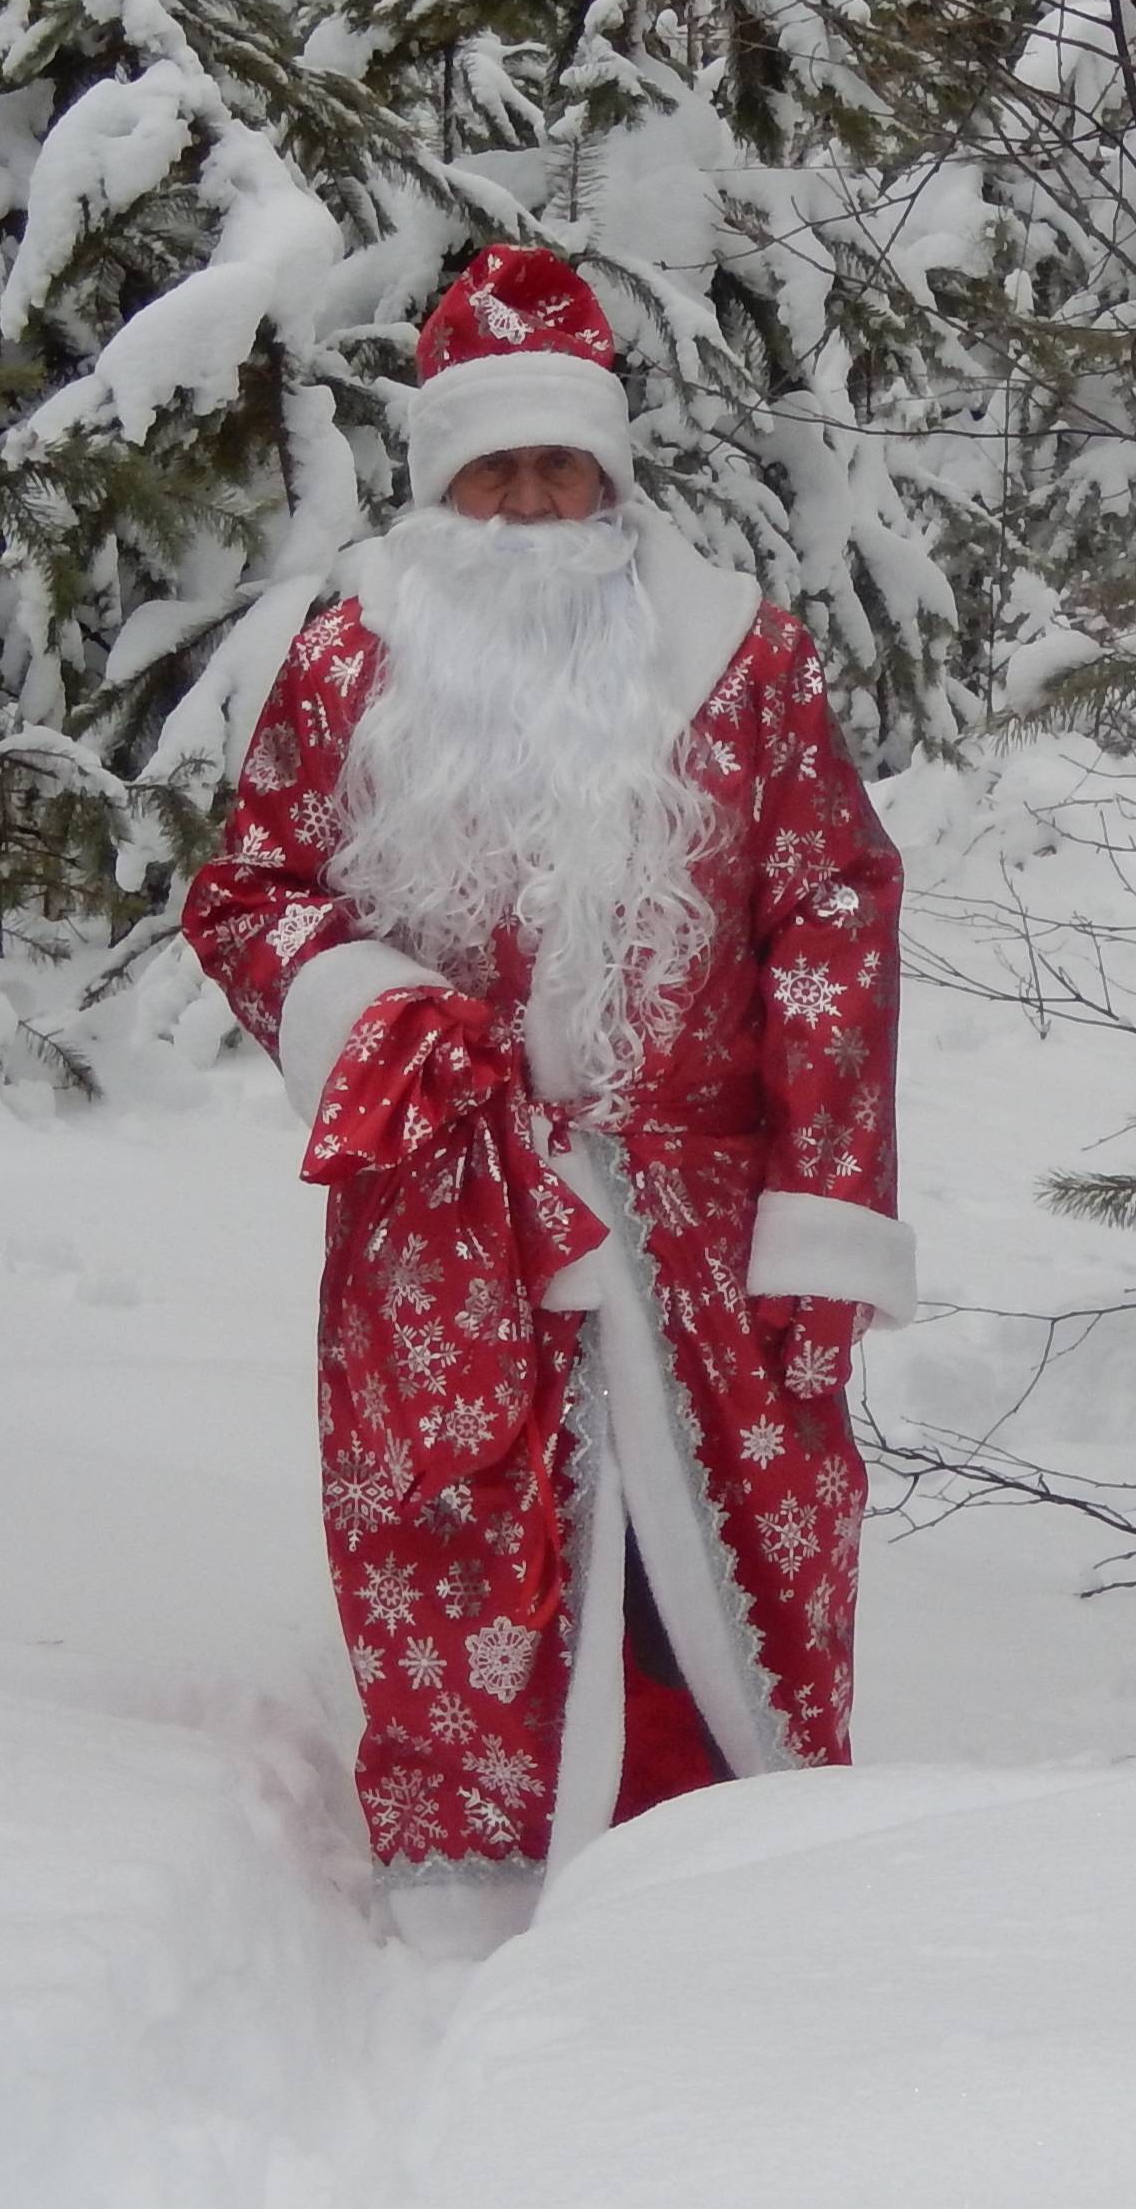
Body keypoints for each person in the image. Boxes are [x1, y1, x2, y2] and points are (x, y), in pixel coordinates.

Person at [181, 245, 912, 1954]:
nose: (525, 504)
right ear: (439, 482)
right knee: (460, 1543)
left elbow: (832, 907)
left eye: (556, 465)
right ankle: (490, 1926)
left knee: (728, 1559)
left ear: (608, 471)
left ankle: (745, 1891)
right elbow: (249, 889)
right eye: (490, 470)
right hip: (451, 1221)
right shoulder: (353, 656)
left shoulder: (741, 660)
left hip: (707, 1230)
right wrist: (373, 1015)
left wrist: (825, 1201)